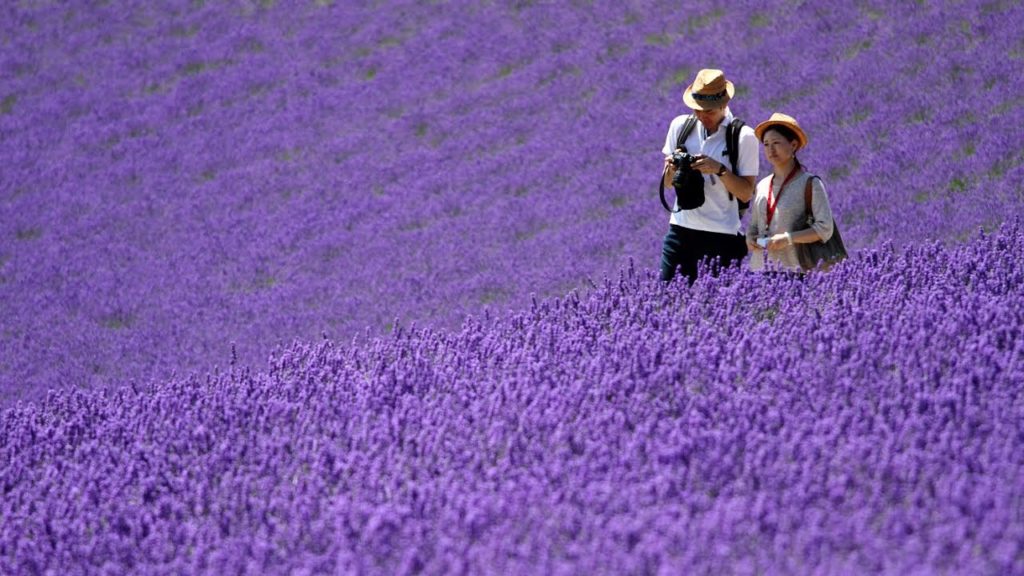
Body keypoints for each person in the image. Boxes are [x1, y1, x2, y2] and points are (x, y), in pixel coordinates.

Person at [659, 68, 759, 283]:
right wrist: (673, 167)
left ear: (723, 105)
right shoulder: (680, 127)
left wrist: (720, 170)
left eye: (709, 112)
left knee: (718, 307)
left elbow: (746, 193)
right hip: (680, 230)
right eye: (698, 110)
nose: (702, 116)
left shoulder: (743, 137)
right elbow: (667, 184)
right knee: (665, 299)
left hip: (722, 236)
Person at [746, 112, 835, 273]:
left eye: (776, 143)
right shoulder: (763, 185)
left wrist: (788, 239)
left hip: (795, 273)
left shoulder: (810, 184)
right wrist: (750, 239)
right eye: (766, 144)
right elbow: (754, 226)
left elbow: (825, 228)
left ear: (793, 145)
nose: (770, 150)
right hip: (759, 272)